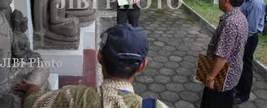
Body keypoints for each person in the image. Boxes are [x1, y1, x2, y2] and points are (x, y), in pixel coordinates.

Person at [14, 24, 168, 108]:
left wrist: (32, 88)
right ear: (142, 66)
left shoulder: (72, 96)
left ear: (99, 56)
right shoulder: (156, 106)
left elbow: (33, 103)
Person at [200, 0, 248, 108]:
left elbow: (222, 56)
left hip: (222, 77)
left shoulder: (230, 24)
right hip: (231, 73)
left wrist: (210, 77)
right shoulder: (240, 16)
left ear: (226, 0)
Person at [234, 0, 266, 104]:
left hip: (249, 38)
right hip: (244, 36)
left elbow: (251, 28)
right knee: (240, 62)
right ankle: (239, 86)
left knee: (246, 65)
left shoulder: (257, 3)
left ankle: (244, 94)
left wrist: (241, 40)